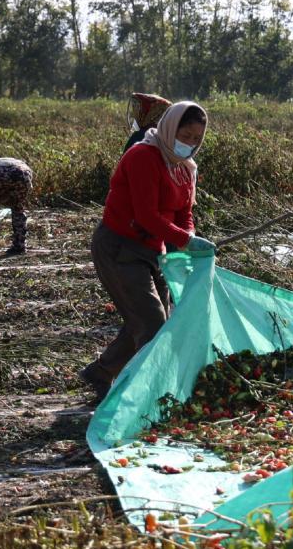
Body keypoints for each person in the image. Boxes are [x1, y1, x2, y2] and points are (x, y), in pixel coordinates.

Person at [79, 102, 213, 401]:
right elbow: (146, 215)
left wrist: (188, 236)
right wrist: (185, 241)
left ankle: (100, 372)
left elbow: (183, 213)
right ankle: (145, 394)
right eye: (186, 134)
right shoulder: (143, 156)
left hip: (154, 250)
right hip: (119, 246)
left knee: (154, 319)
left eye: (196, 139)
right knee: (151, 323)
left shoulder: (185, 168)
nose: (190, 144)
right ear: (170, 127)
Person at [0, 157, 35, 256]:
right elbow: (28, 188)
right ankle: (19, 245)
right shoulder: (23, 166)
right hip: (22, 174)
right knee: (18, 209)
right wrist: (18, 201)